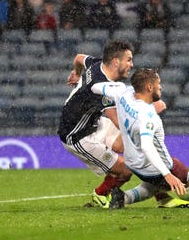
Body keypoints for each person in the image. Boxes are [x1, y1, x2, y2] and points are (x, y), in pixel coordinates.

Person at [90, 68, 189, 209]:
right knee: (188, 178)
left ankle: (123, 198)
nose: (160, 87)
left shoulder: (123, 92)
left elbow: (95, 87)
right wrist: (168, 174)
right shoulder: (148, 115)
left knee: (152, 184)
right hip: (156, 167)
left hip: (133, 164)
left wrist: (82, 81)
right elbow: (147, 146)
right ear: (150, 87)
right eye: (158, 83)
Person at [57, 41, 135, 209]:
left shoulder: (97, 64)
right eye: (128, 60)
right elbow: (118, 121)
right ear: (116, 62)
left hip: (94, 122)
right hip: (77, 136)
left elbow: (78, 58)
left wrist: (76, 74)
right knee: (126, 170)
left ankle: (159, 191)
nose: (131, 64)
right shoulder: (101, 89)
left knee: (132, 151)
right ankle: (100, 194)